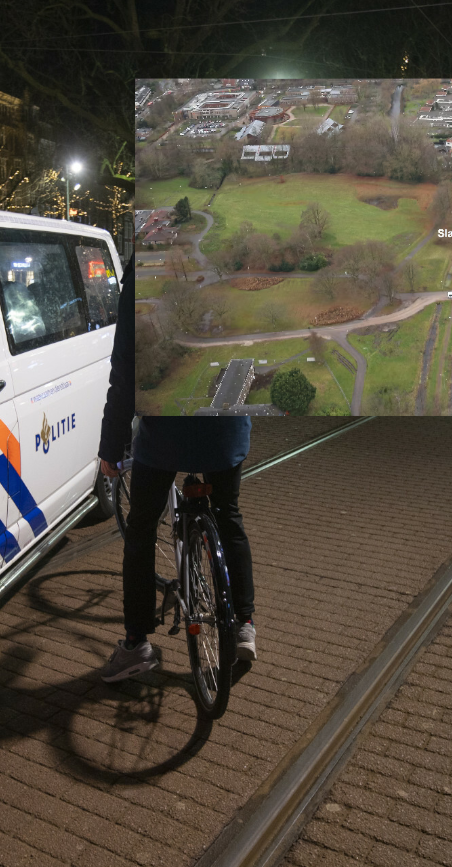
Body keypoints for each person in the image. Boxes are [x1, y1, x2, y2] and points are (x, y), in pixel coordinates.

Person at [97, 269, 256, 683]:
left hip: (166, 434)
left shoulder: (144, 272)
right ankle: (244, 624)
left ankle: (135, 643)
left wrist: (111, 447)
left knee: (141, 529)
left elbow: (126, 367)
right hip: (224, 429)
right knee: (228, 514)